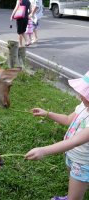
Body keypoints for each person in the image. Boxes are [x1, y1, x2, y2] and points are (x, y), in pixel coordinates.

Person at [25, 71, 89, 200]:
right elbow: (67, 119)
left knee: (75, 195)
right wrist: (47, 113)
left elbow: (74, 141)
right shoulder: (83, 105)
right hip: (71, 155)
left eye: (86, 95)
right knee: (73, 176)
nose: (81, 96)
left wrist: (43, 150)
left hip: (83, 163)